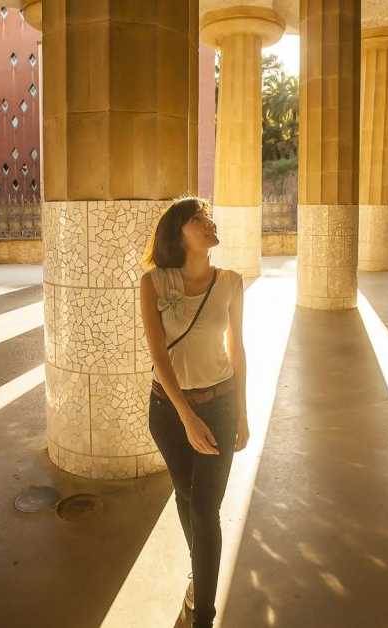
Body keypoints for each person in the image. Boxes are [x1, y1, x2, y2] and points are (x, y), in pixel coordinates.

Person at [139, 197, 249, 628]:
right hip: (169, 411)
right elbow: (158, 357)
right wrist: (186, 417)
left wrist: (241, 412)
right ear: (179, 233)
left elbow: (237, 350)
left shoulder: (232, 282)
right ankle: (198, 574)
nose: (210, 221)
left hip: (220, 404)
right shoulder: (154, 283)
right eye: (199, 218)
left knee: (204, 510)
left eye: (209, 216)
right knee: (185, 495)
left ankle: (202, 614)